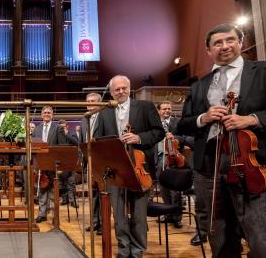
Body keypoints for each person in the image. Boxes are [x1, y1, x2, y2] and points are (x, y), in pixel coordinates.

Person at [177, 23, 266, 257]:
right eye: (217, 43)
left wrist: (252, 119)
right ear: (209, 50)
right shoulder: (199, 86)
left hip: (252, 161)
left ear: (241, 42)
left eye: (230, 40)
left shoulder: (262, 71)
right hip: (209, 165)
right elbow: (183, 122)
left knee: (260, 235)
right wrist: (203, 118)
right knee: (219, 234)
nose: (224, 46)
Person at [94, 75, 164, 258]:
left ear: (129, 88)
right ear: (111, 92)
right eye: (116, 89)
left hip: (141, 169)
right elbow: (98, 140)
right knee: (119, 215)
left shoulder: (146, 107)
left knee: (139, 215)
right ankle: (123, 250)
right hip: (115, 171)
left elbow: (158, 132)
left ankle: (138, 250)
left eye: (124, 88)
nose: (121, 91)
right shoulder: (104, 113)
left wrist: (139, 138)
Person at [33, 106, 75, 223]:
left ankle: (54, 215)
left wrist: (60, 165)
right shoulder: (37, 129)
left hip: (53, 164)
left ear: (52, 115)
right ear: (41, 115)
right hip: (40, 163)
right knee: (42, 189)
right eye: (45, 112)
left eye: (49, 113)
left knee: (52, 190)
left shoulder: (58, 128)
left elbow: (61, 146)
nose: (47, 114)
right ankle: (42, 214)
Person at [154, 101, 187, 229]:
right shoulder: (155, 123)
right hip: (160, 158)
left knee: (176, 190)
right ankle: (168, 214)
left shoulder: (177, 122)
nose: (167, 111)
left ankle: (177, 217)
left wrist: (175, 137)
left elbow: (185, 137)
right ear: (158, 111)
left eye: (169, 109)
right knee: (163, 188)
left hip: (174, 158)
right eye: (164, 109)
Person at [80, 92, 103, 235]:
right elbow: (81, 142)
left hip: (102, 161)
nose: (90, 103)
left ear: (100, 103)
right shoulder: (84, 119)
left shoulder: (105, 117)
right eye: (88, 101)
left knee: (102, 193)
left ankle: (103, 224)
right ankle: (95, 222)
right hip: (89, 161)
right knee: (93, 193)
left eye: (93, 101)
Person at [57, 119, 79, 208]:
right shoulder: (57, 135)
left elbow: (77, 143)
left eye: (64, 127)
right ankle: (64, 199)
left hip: (71, 162)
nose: (62, 128)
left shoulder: (72, 134)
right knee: (62, 182)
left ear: (67, 126)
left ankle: (73, 200)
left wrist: (66, 135)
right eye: (60, 127)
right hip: (61, 162)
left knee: (71, 182)